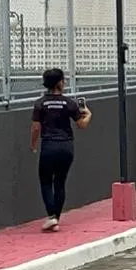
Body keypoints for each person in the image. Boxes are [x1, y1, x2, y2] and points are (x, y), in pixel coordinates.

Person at [30, 68, 91, 231]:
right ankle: (56, 217)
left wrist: (33, 145)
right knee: (60, 183)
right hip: (66, 146)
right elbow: (81, 125)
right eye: (63, 80)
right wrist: (88, 114)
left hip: (49, 146)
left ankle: (52, 217)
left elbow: (35, 128)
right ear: (59, 83)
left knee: (45, 182)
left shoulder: (40, 103)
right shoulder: (69, 103)